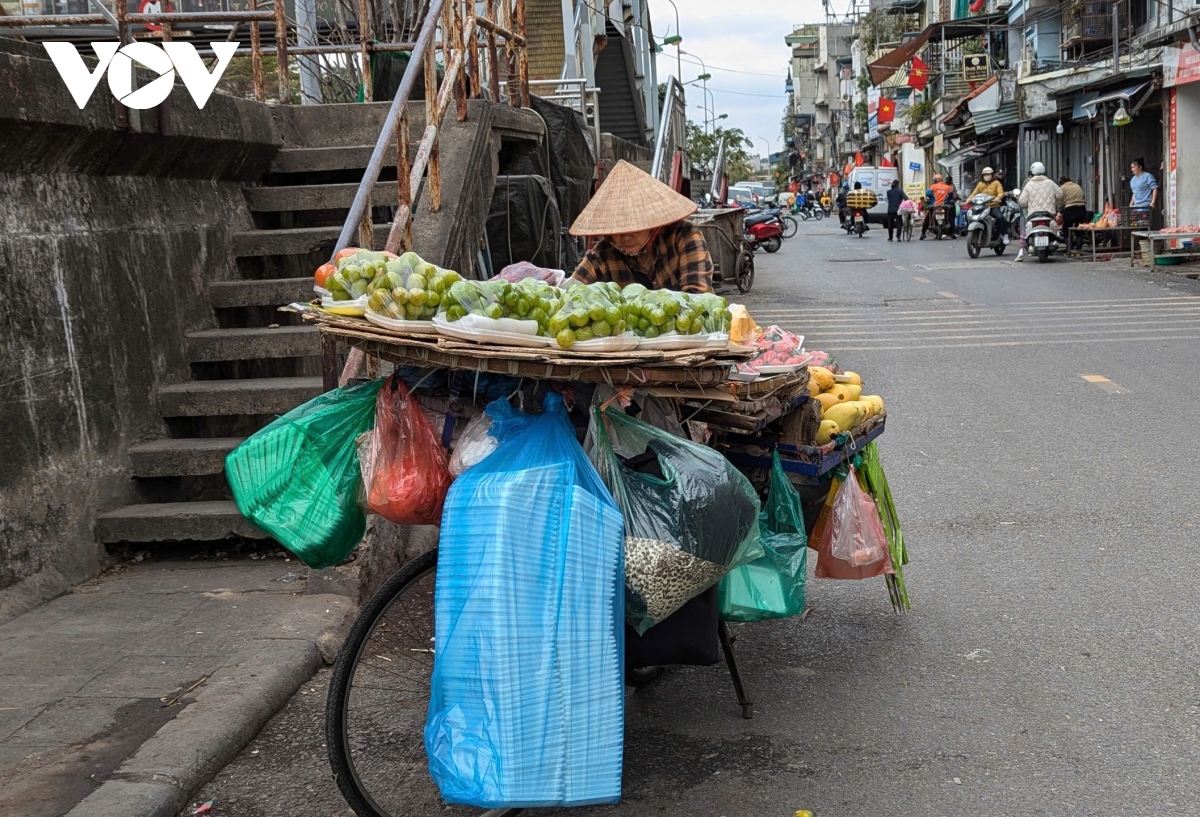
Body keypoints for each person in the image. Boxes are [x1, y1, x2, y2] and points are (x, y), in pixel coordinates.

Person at [570, 160, 713, 293]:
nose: (626, 237)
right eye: (618, 230)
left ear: (652, 223)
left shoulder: (684, 236)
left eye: (635, 229)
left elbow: (698, 296)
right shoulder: (602, 255)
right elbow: (571, 292)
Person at [1014, 162, 1064, 261]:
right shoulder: (1050, 183)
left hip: (1033, 214)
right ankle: (1055, 239)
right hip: (1048, 213)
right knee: (1056, 229)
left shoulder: (1029, 184)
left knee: (1024, 232)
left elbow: (1023, 202)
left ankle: (1020, 253)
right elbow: (1060, 195)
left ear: (1032, 172)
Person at [968, 166, 1010, 244]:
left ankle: (1004, 234)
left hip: (993, 206)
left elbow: (1000, 192)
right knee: (970, 215)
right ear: (982, 176)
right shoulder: (980, 184)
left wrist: (998, 197)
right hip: (982, 206)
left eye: (988, 174)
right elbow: (974, 193)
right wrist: (969, 199)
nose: (986, 176)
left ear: (992, 175)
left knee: (1000, 217)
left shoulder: (996, 183)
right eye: (985, 175)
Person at [920, 174, 954, 239]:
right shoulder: (947, 187)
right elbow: (951, 196)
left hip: (934, 206)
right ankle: (952, 233)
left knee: (927, 219)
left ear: (936, 180)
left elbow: (928, 193)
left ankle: (923, 234)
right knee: (949, 218)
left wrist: (931, 197)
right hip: (944, 206)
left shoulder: (933, 186)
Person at [1059, 175, 1087, 250]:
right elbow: (1083, 197)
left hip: (1070, 209)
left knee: (1066, 229)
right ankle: (1078, 248)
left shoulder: (1062, 188)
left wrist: (1059, 210)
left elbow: (1060, 202)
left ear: (1061, 183)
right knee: (1079, 229)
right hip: (1081, 208)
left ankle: (1069, 248)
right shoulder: (1077, 186)